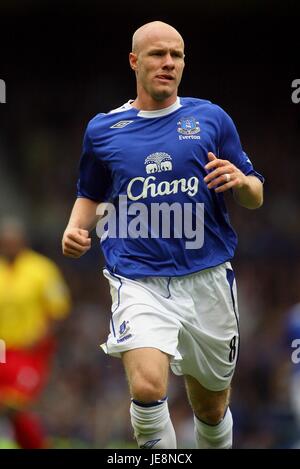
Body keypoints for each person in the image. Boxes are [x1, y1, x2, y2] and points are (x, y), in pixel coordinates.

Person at [62, 21, 264, 449]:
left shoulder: (211, 118)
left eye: (176, 55)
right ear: (135, 62)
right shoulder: (104, 130)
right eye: (157, 54)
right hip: (137, 278)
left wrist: (242, 183)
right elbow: (89, 193)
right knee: (149, 387)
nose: (168, 63)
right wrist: (75, 228)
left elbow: (255, 194)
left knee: (210, 409)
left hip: (207, 279)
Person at [0, 217, 71, 448]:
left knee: (15, 403)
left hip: (30, 350)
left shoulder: (41, 270)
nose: (8, 245)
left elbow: (59, 312)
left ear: (23, 241)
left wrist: (42, 338)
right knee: (12, 410)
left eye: (13, 241)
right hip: (2, 350)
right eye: (5, 241)